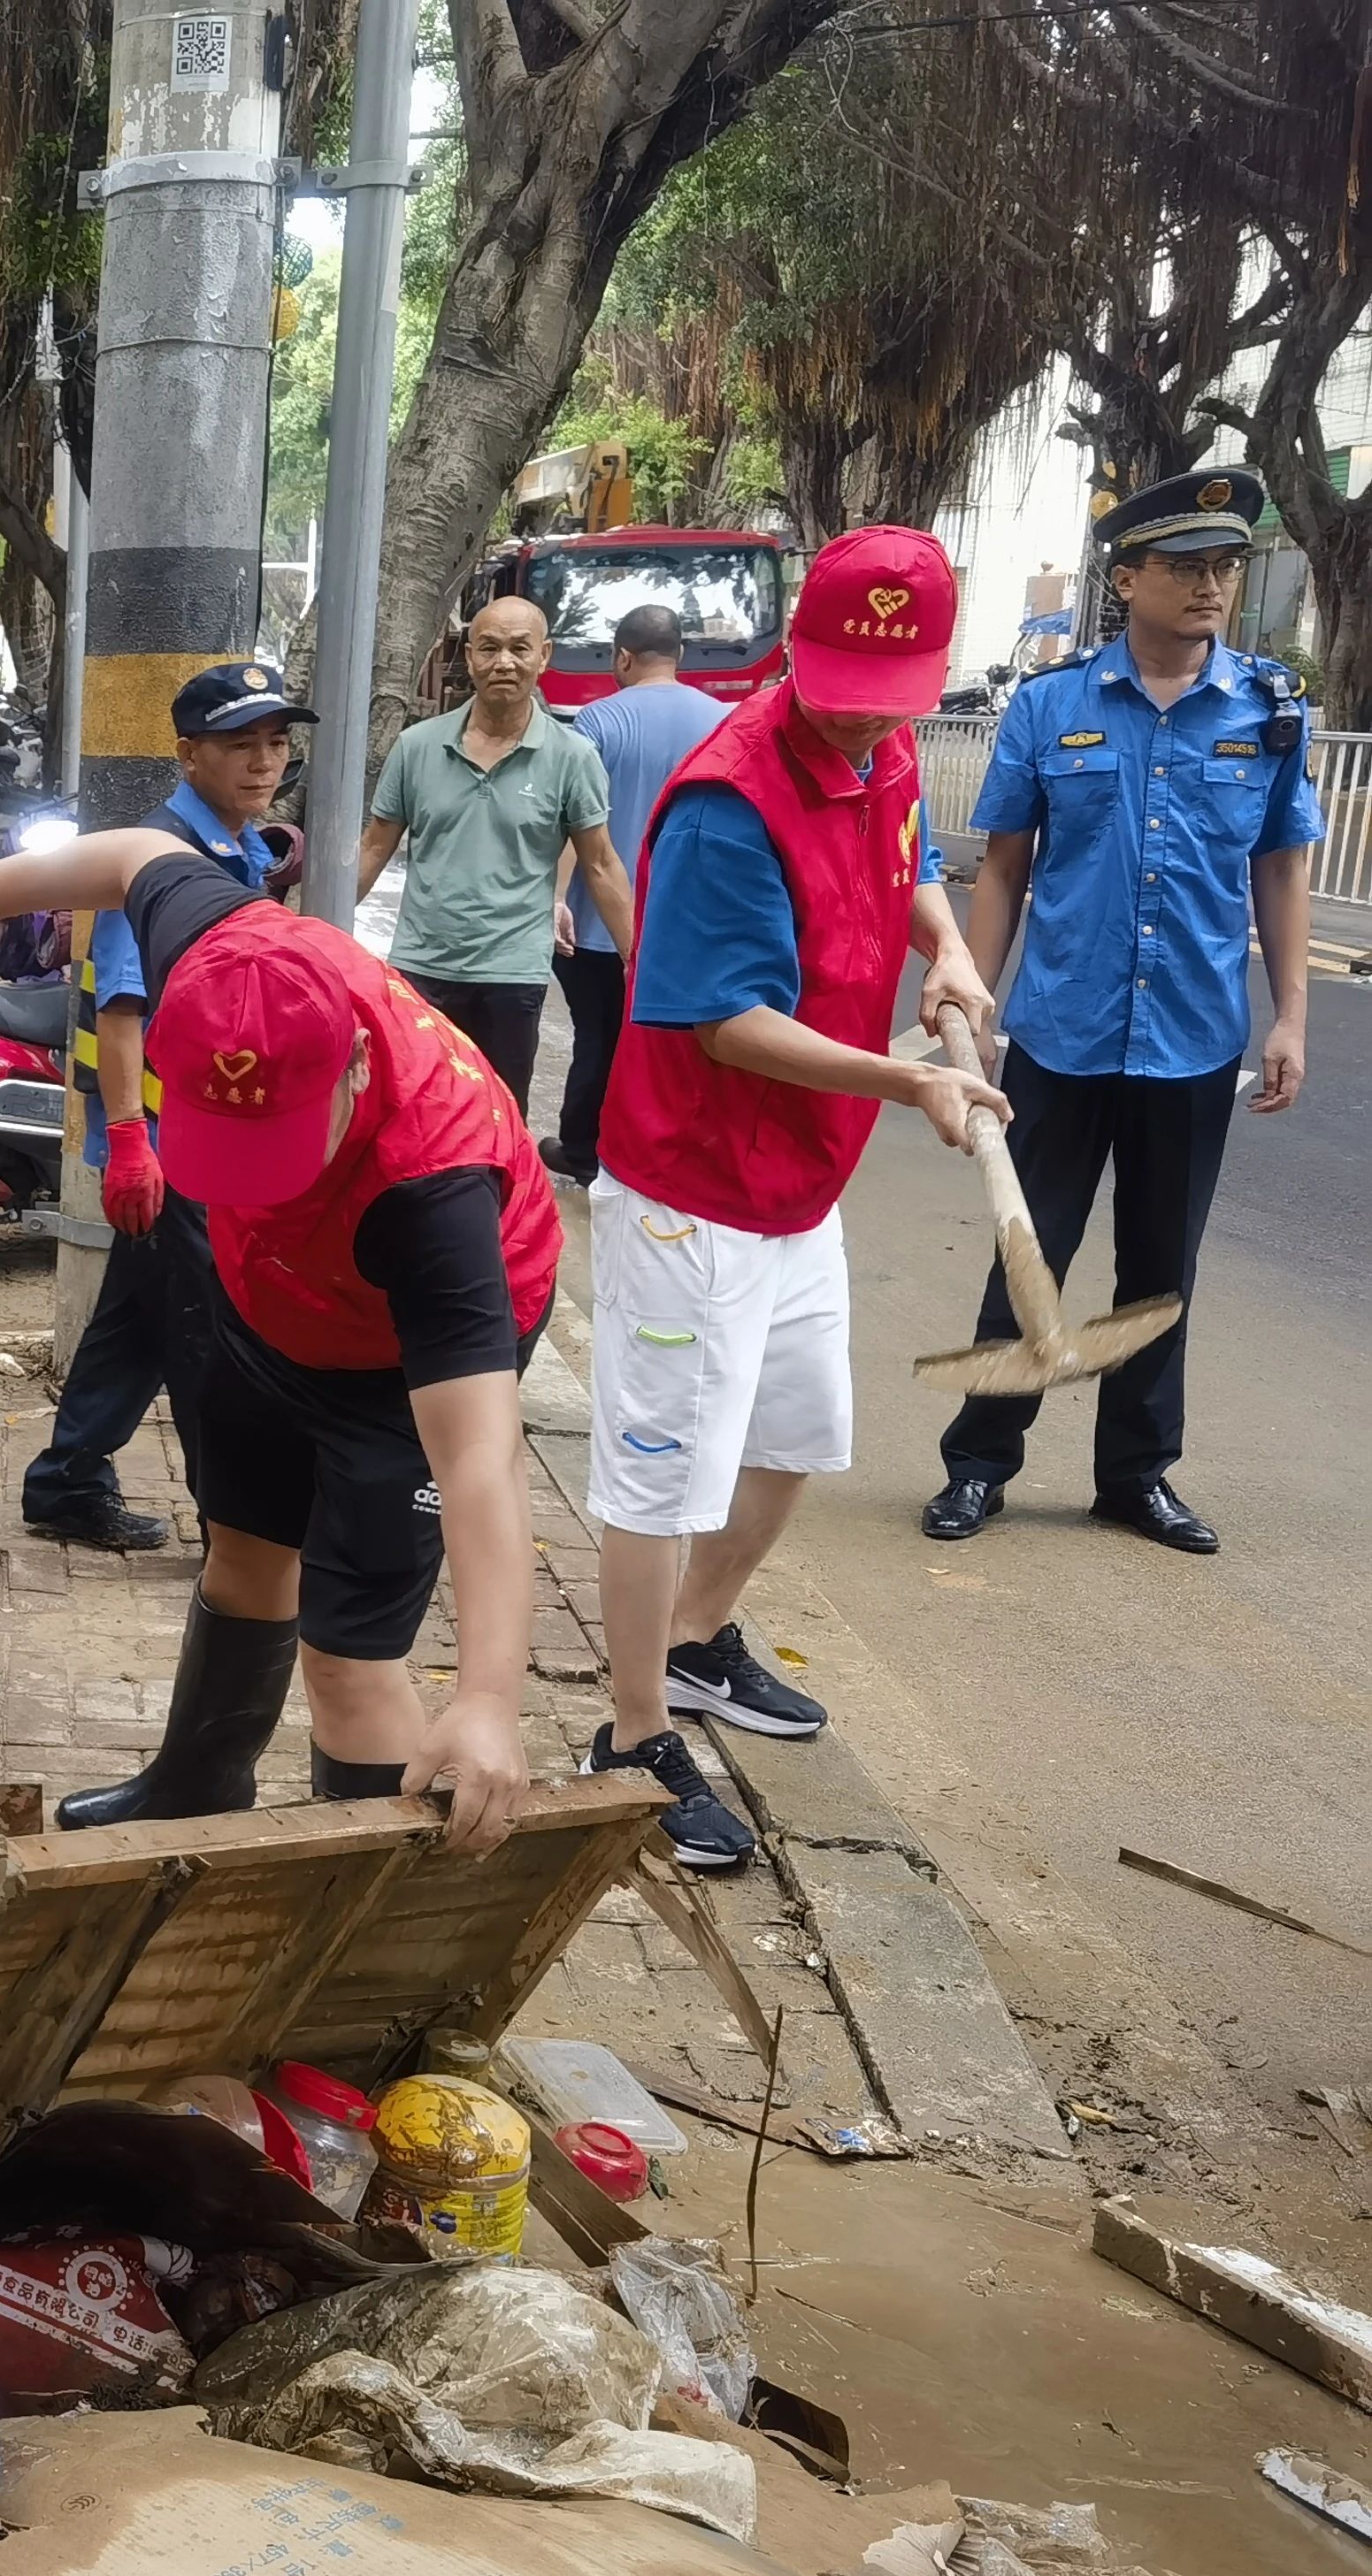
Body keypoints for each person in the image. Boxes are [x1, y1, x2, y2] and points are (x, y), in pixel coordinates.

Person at [0, 830, 555, 1861]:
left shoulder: (437, 1193)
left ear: (360, 1064)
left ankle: (362, 1919)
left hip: (395, 1358)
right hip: (267, 1308)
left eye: (283, 1143)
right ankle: (196, 1786)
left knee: (346, 1653)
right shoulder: (221, 951)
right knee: (243, 1547)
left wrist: (489, 1697)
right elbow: (127, 855)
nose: (262, 1180)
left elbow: (479, 1457)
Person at [584, 525, 1003, 1856]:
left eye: (894, 694)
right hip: (691, 1192)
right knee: (662, 1473)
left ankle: (701, 1640)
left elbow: (910, 871)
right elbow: (720, 1021)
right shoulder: (730, 801)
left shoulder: (882, 759)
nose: (866, 716)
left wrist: (941, 952)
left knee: (794, 1436)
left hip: (796, 1188)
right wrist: (908, 1080)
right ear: (792, 655)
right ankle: (635, 1727)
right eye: (841, 685)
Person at [923, 466, 1322, 1555]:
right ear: (1128, 578)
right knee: (1027, 1248)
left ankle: (1134, 1477)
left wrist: (1288, 1016)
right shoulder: (1051, 707)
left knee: (1161, 1271)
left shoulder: (1268, 711)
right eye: (1185, 568)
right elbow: (1003, 868)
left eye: (1224, 569)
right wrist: (977, 1000)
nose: (1208, 588)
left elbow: (1280, 872)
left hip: (1194, 1039)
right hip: (1060, 1031)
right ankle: (979, 1465)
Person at [24, 661, 310, 1553]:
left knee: (142, 1321)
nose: (262, 762)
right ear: (188, 755)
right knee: (206, 1336)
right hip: (170, 1143)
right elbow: (119, 1011)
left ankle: (67, 1481)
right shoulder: (150, 861)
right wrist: (129, 1143)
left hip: (202, 1135)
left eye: (275, 743)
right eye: (239, 746)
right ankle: (237, 1528)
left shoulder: (236, 847)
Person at [358, 595, 636, 1108]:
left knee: (498, 1116)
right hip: (422, 967)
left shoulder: (572, 758)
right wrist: (312, 935)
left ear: (544, 655)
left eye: (518, 648)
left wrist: (635, 958)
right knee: (414, 1112)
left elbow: (599, 862)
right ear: (469, 659)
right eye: (488, 648)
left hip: (512, 974)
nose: (503, 662)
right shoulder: (417, 746)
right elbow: (375, 846)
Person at [548, 604, 724, 1182]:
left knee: (597, 1038)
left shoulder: (598, 721)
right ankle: (661, 1153)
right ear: (680, 656)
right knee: (674, 1047)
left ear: (622, 657)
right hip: (689, 926)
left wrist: (556, 898)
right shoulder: (726, 721)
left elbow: (575, 824)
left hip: (596, 926)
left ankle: (584, 1150)